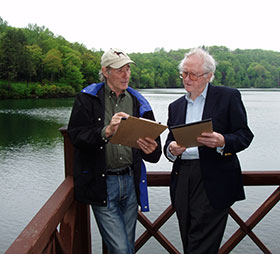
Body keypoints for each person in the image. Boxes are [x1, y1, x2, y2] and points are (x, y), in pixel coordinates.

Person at [67, 48, 162, 254]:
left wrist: (151, 149)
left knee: (126, 245)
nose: (126, 74)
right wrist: (106, 131)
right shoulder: (87, 98)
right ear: (106, 71)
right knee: (121, 249)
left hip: (130, 181)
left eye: (128, 68)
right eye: (119, 69)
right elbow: (76, 136)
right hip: (102, 183)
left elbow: (155, 152)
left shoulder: (139, 102)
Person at [164, 47, 254, 254]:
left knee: (201, 244)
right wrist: (171, 149)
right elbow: (169, 140)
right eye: (184, 73)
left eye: (193, 74)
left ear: (209, 76)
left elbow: (244, 135)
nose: (187, 79)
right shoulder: (175, 106)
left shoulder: (228, 97)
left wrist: (222, 141)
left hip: (214, 178)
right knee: (188, 237)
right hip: (183, 177)